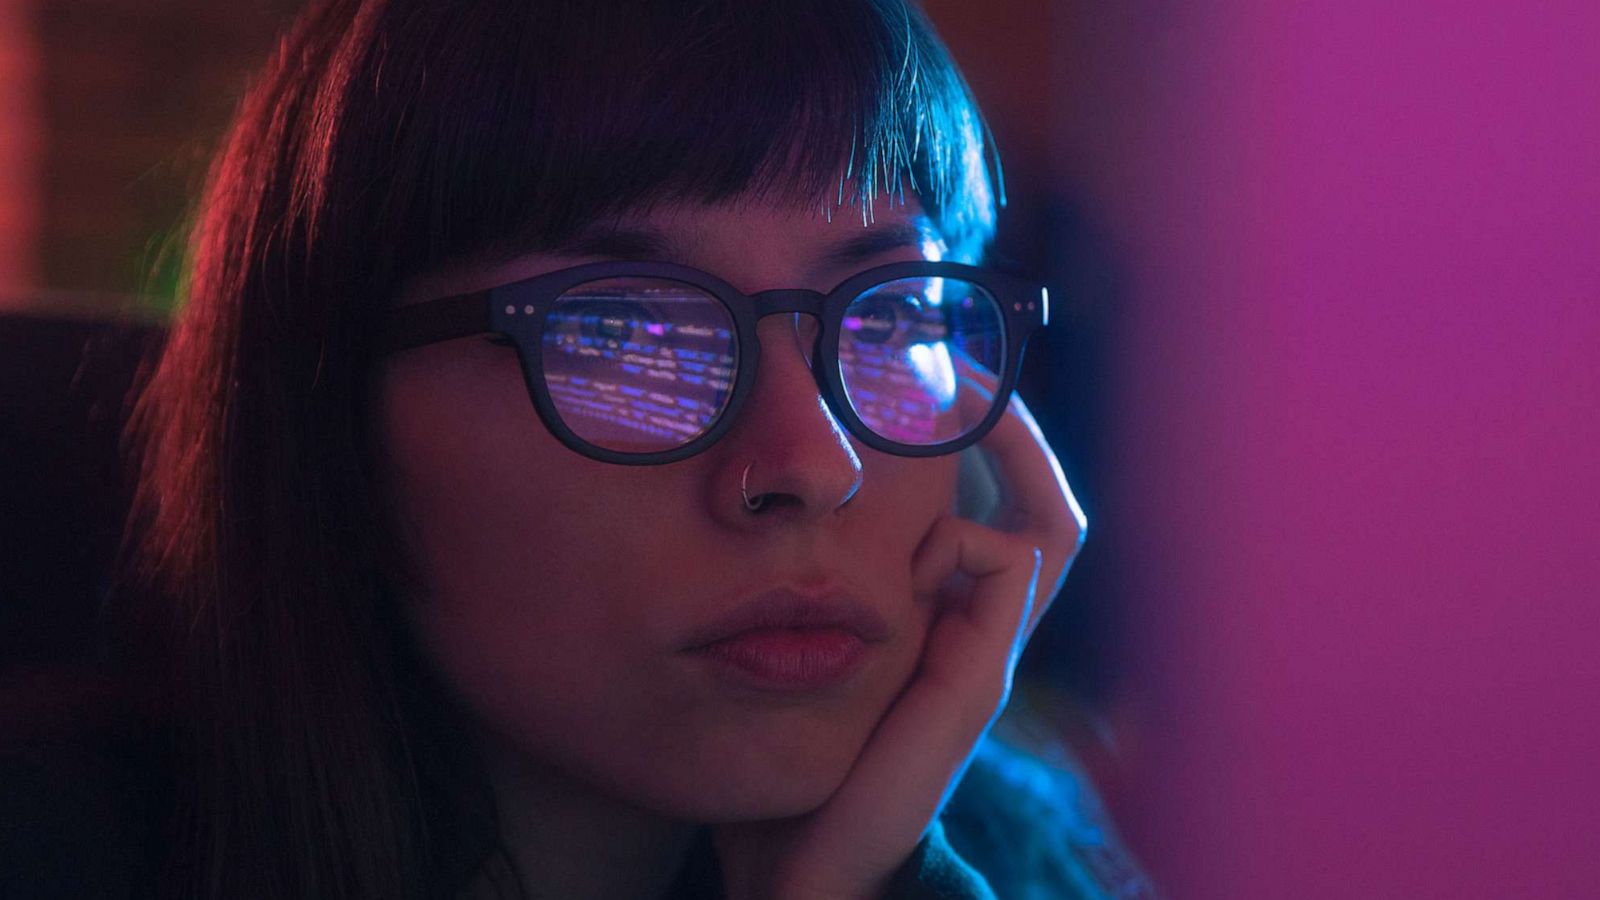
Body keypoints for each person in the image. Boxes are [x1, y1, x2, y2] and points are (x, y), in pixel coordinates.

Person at [3, 0, 1157, 897]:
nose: (811, 464)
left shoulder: (1020, 853)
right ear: (326, 416)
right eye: (623, 331)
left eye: (895, 313)